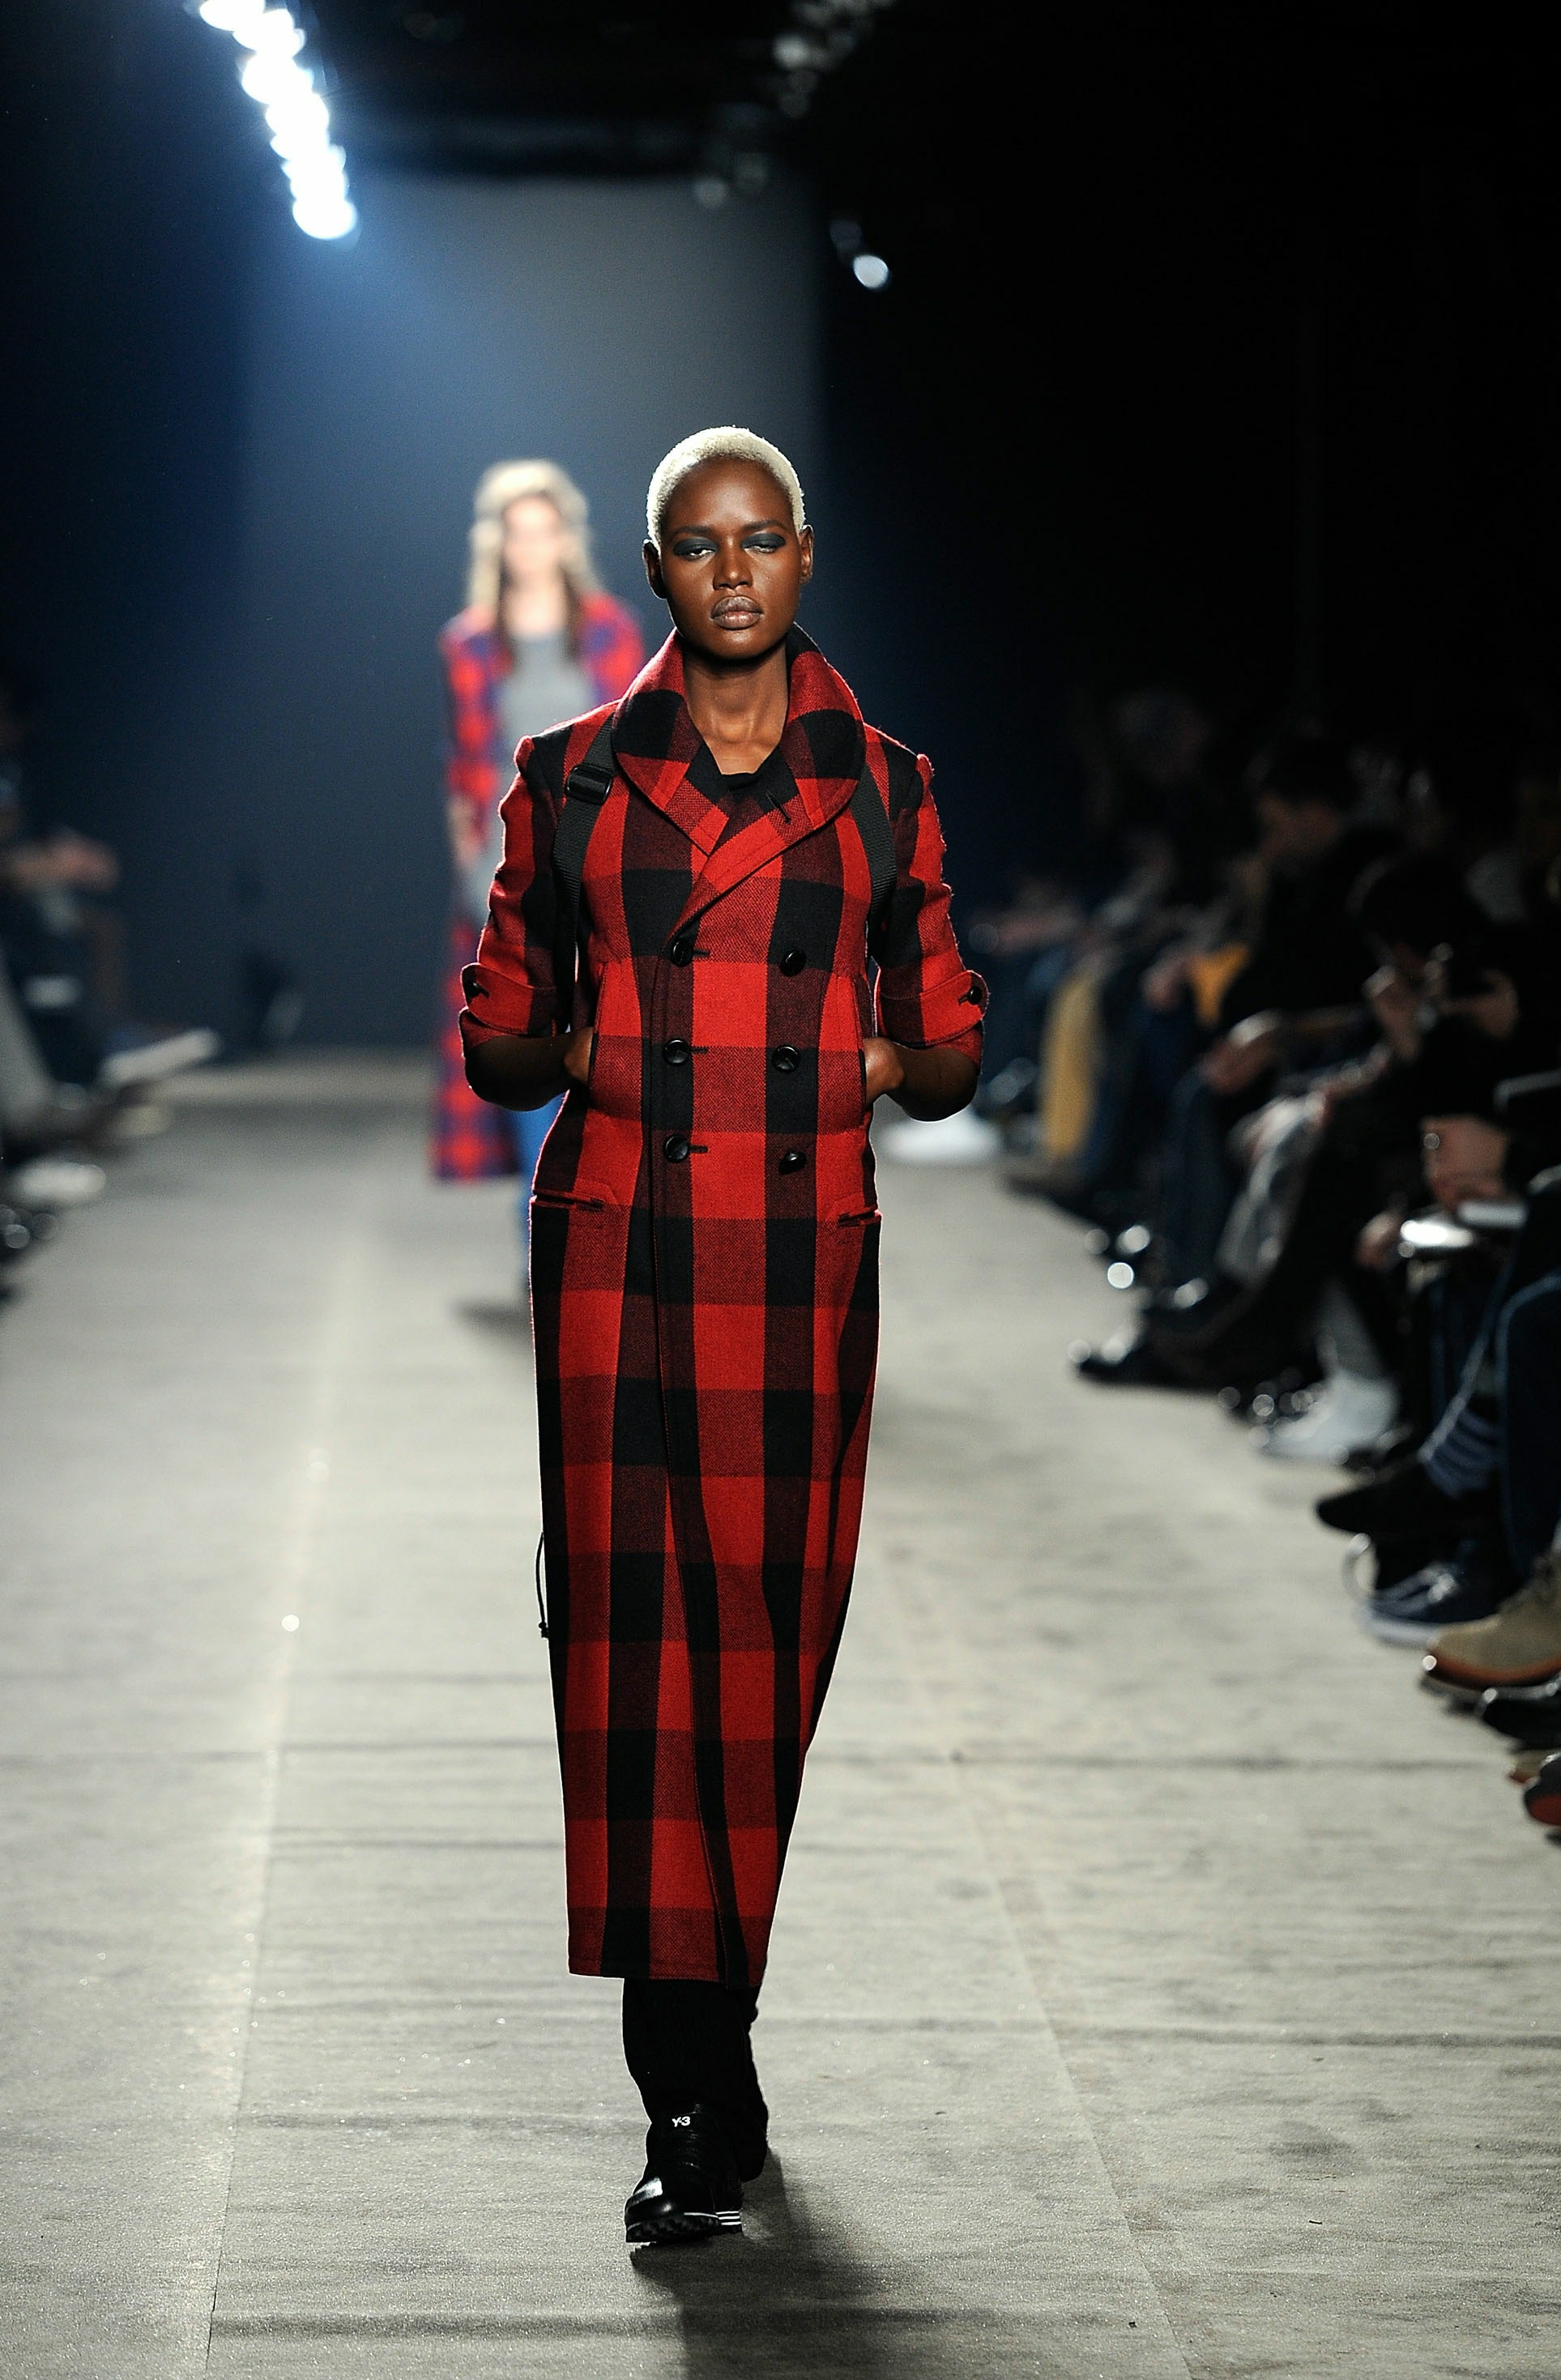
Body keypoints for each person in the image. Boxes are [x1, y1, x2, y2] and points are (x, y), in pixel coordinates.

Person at [459, 427, 986, 2246]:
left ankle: (718, 2047)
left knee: (763, 1656)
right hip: (620, 1247)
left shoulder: (887, 788)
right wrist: (597, 1047)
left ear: (805, 556)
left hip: (796, 1258)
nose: (735, 571)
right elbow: (498, 1036)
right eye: (700, 545)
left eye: (762, 540)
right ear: (660, 571)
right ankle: (685, 2090)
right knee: (632, 1658)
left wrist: (865, 1060)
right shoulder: (571, 779)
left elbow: (950, 1048)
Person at [433, 462, 644, 1249]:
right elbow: (465, 769)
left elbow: (641, 748)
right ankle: (546, 1237)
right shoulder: (467, 643)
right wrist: (470, 867)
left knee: (609, 1042)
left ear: (566, 538)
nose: (530, 546)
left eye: (543, 529)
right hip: (507, 862)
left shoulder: (613, 631)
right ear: (498, 542)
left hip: (599, 857)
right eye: (515, 532)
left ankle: (593, 1219)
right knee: (533, 1046)